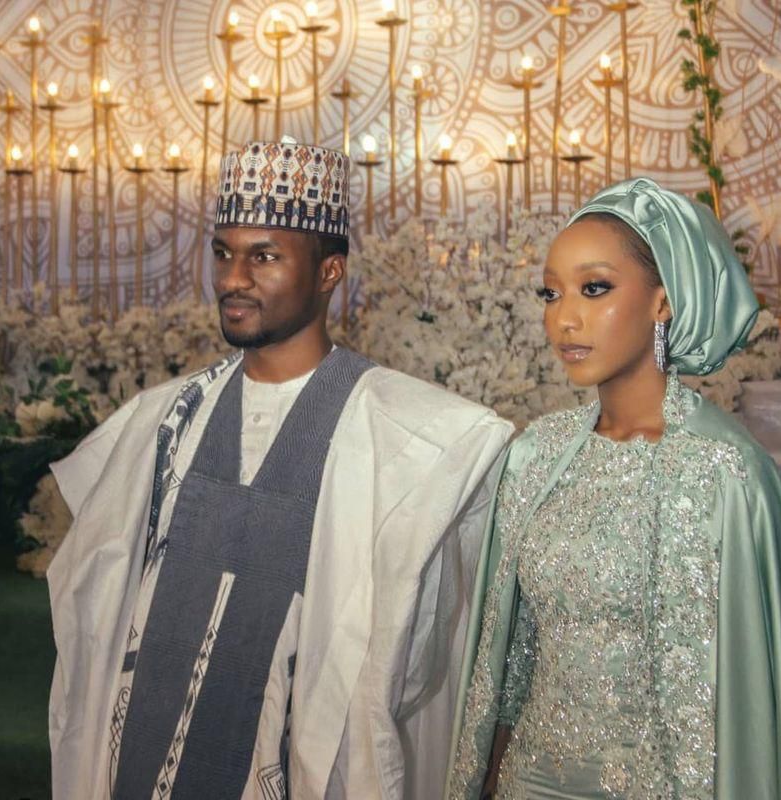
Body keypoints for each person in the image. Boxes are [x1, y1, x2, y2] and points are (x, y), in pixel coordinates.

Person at [47, 138, 513, 800]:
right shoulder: (164, 420)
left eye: (263, 257)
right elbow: (96, 599)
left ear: (329, 273)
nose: (233, 277)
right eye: (223, 252)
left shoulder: (388, 433)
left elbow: (427, 646)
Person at [447, 178, 781, 800]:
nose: (565, 318)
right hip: (531, 781)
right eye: (551, 294)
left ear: (664, 301)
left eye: (595, 288)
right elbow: (507, 666)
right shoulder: (535, 457)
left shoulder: (728, 473)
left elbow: (754, 704)